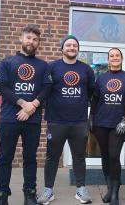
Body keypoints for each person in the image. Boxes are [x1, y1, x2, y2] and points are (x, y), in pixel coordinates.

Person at [0, 24, 51, 205]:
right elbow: (2, 87)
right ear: (21, 38)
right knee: (5, 158)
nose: (31, 42)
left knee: (30, 158)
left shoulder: (43, 65)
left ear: (38, 43)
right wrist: (23, 104)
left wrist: (32, 106)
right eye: (28, 38)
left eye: (35, 39)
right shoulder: (7, 62)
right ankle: (1, 196)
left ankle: (30, 194)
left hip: (33, 120)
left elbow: (47, 88)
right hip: (10, 119)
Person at [37, 35, 95, 205]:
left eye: (74, 45)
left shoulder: (86, 69)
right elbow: (44, 90)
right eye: (68, 45)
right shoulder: (52, 67)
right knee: (52, 157)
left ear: (78, 49)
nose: (71, 47)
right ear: (62, 48)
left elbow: (92, 91)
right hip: (56, 121)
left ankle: (81, 189)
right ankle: (48, 190)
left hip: (79, 121)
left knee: (79, 156)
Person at [90, 48, 125, 205]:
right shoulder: (101, 78)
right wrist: (91, 117)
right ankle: (109, 188)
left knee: (114, 156)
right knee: (105, 156)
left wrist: (124, 120)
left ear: (122, 58)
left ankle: (115, 192)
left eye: (117, 55)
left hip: (118, 124)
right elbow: (95, 100)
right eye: (112, 56)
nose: (115, 58)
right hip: (100, 123)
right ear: (108, 60)